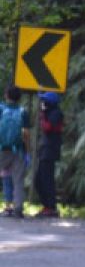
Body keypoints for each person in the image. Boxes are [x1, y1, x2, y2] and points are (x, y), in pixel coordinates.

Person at [0, 86, 32, 218]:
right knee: (18, 181)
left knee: (8, 178)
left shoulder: (1, 108)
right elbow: (25, 133)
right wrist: (27, 151)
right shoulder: (23, 111)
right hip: (18, 150)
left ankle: (9, 207)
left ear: (6, 95)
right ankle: (18, 208)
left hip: (2, 148)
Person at [33, 91, 64, 218]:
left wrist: (42, 116)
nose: (42, 103)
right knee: (39, 180)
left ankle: (51, 207)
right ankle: (47, 206)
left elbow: (48, 128)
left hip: (50, 150)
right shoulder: (50, 112)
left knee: (46, 180)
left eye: (44, 101)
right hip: (46, 150)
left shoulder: (55, 113)